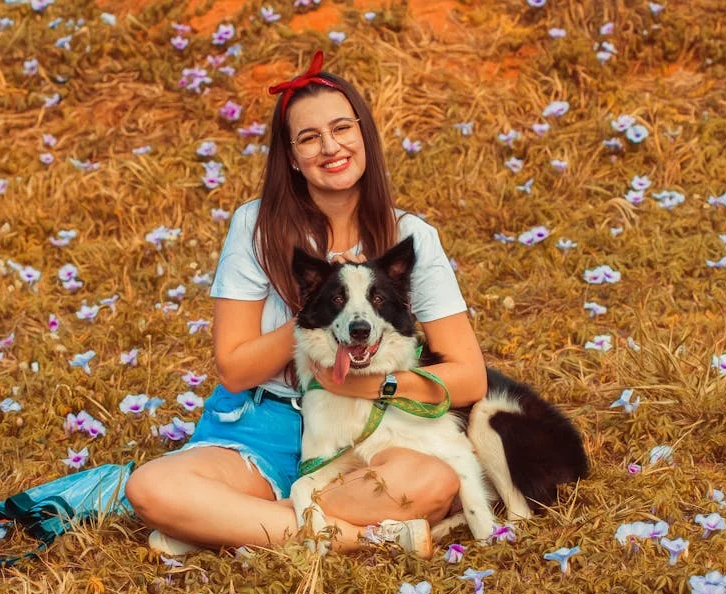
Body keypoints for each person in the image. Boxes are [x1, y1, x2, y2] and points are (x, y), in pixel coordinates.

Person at [124, 51, 487, 558]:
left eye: (342, 128)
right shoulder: (254, 227)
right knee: (151, 488)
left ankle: (230, 527)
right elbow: (233, 368)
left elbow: (469, 375)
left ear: (365, 137)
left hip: (375, 424)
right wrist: (320, 313)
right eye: (309, 137)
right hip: (267, 421)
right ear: (291, 157)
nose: (330, 147)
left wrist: (371, 382)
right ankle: (364, 537)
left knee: (430, 481)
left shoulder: (410, 236)